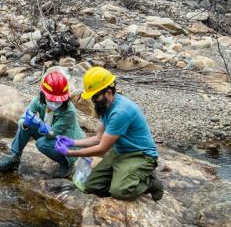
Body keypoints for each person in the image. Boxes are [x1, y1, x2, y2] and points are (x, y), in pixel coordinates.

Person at [56, 66, 164, 201]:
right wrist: (72, 142)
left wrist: (70, 153)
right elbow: (99, 138)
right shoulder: (105, 106)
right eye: (92, 97)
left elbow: (102, 149)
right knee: (91, 187)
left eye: (96, 96)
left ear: (108, 92)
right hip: (120, 152)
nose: (93, 100)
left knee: (119, 191)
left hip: (141, 155)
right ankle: (123, 175)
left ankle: (150, 182)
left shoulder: (120, 112)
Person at [0, 71, 84, 178]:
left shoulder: (69, 112)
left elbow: (53, 134)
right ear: (43, 94)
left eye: (58, 101)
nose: (54, 104)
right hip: (49, 133)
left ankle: (65, 162)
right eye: (51, 100)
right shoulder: (38, 101)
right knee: (26, 126)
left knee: (42, 144)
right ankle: (14, 156)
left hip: (67, 141)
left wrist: (42, 127)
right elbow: (23, 118)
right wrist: (25, 123)